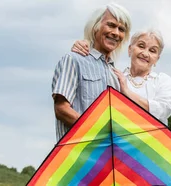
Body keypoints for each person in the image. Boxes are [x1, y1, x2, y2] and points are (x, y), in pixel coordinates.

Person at [51, 2, 132, 140]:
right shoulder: (74, 59)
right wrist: (98, 133)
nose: (116, 33)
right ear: (95, 27)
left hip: (107, 156)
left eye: (121, 29)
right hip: (78, 155)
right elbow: (61, 110)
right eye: (111, 25)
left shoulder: (117, 76)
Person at [70, 28, 171, 126]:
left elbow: (163, 110)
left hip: (152, 144)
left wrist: (127, 92)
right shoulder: (115, 77)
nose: (145, 53)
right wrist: (84, 46)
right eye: (141, 46)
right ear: (130, 49)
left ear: (157, 59)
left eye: (152, 51)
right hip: (119, 144)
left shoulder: (163, 81)